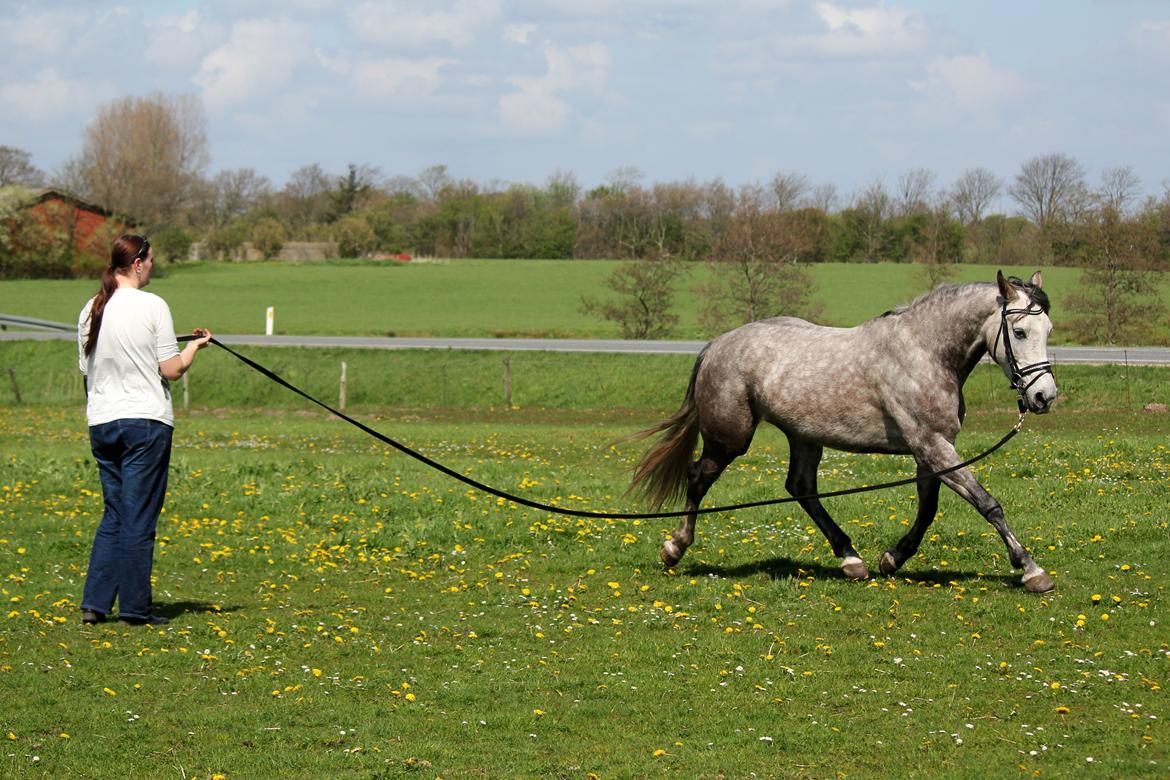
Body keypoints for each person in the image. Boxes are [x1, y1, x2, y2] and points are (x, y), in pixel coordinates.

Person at [77, 234, 212, 626]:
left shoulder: (91, 309)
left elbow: (88, 370)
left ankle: (95, 604)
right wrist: (196, 347)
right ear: (137, 263)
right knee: (139, 516)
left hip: (102, 420)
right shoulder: (154, 305)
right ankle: (135, 608)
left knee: (114, 512)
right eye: (150, 259)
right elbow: (169, 369)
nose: (152, 265)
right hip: (145, 421)